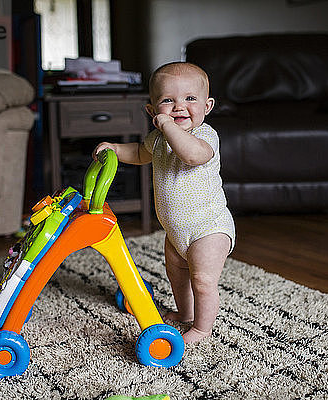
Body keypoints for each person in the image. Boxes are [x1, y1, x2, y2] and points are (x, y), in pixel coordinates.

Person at [92, 62, 235, 344]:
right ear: (152, 111)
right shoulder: (156, 139)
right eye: (168, 100)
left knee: (203, 281)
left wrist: (168, 125)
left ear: (207, 106)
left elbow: (192, 156)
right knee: (178, 276)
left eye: (190, 99)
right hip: (175, 231)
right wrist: (115, 149)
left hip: (209, 227)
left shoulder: (204, 136)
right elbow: (138, 153)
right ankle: (185, 313)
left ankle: (203, 329)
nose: (179, 106)